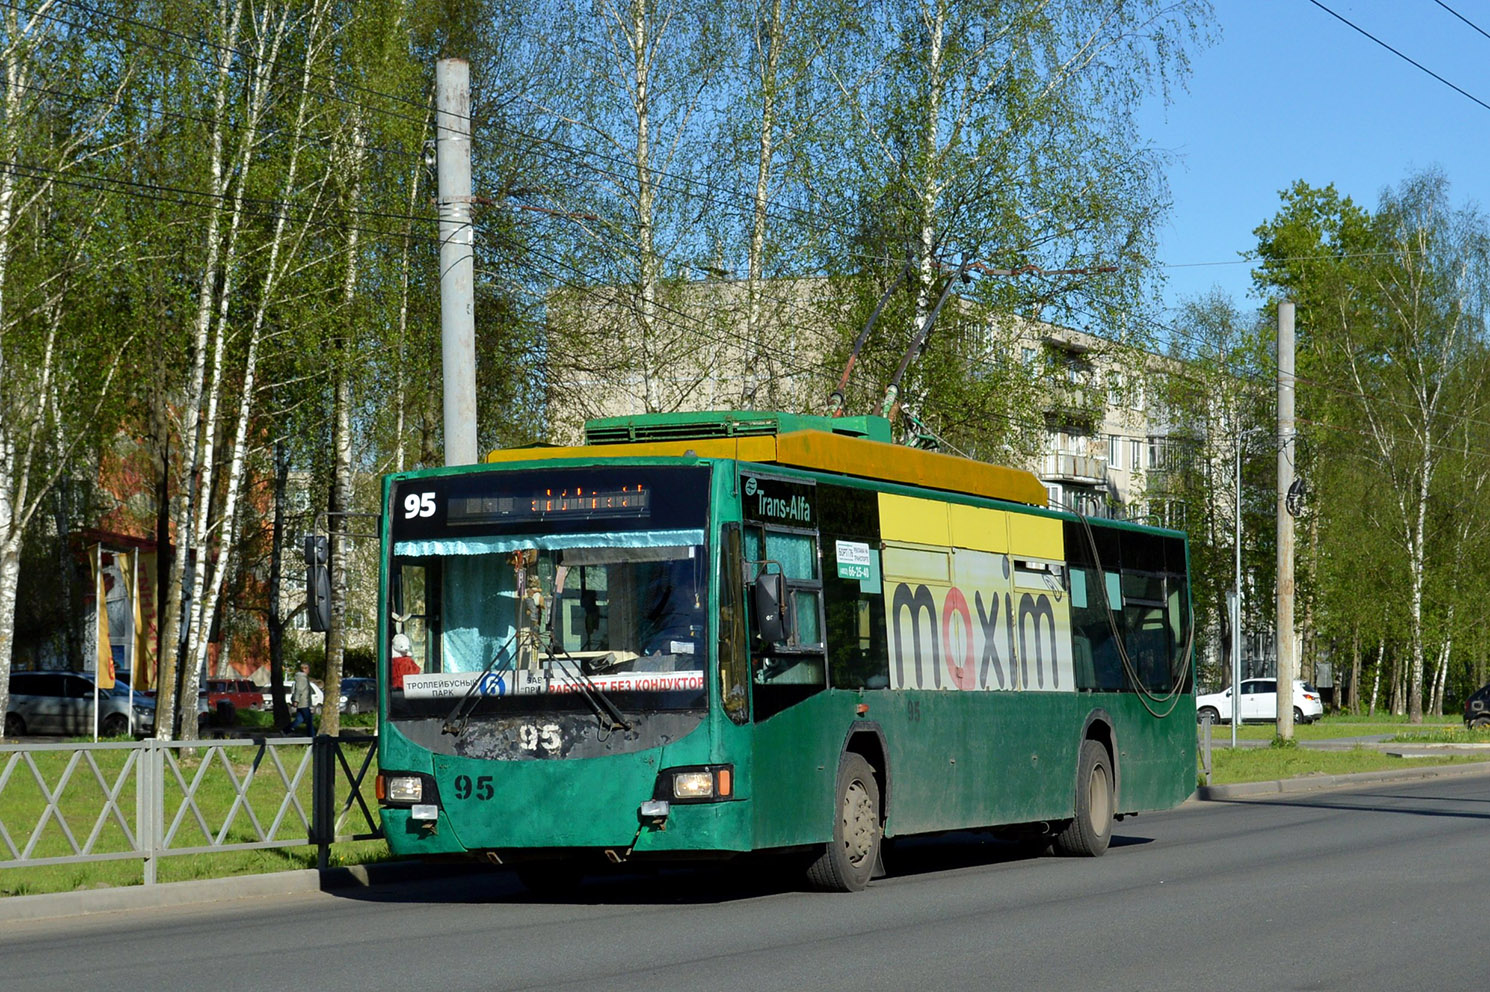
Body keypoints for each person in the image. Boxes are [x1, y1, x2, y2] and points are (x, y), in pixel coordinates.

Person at [285, 662, 315, 735]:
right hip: (303, 702)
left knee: (299, 719)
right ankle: (312, 737)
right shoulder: (302, 678)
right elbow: (299, 689)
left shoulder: (303, 677)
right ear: (305, 669)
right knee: (309, 720)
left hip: (303, 702)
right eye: (308, 669)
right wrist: (296, 700)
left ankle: (285, 731)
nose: (308, 670)